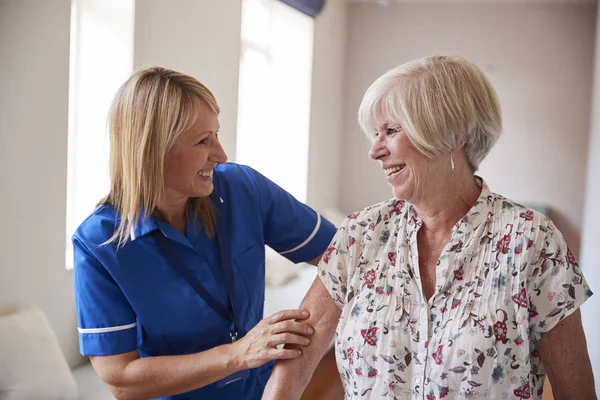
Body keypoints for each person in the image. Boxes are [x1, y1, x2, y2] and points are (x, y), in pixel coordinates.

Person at [263, 55, 596, 400]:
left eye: (390, 131)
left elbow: (577, 392)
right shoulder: (359, 234)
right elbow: (296, 364)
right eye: (376, 134)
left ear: (450, 134)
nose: (374, 151)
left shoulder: (532, 242)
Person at [72, 66, 336, 400]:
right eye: (202, 141)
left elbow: (344, 254)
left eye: (217, 134)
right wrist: (238, 354)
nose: (221, 155)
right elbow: (121, 379)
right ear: (152, 149)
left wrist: (293, 372)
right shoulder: (98, 242)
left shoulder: (244, 189)